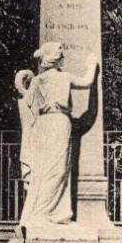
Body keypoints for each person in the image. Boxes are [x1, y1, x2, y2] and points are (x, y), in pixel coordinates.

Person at [18, 41, 98, 229]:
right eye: (61, 54)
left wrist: (20, 82)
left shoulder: (38, 80)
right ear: (55, 58)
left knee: (45, 169)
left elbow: (26, 102)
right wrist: (92, 64)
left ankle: (52, 213)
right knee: (57, 169)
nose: (64, 57)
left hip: (43, 125)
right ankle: (43, 214)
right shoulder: (64, 78)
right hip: (59, 123)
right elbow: (87, 82)